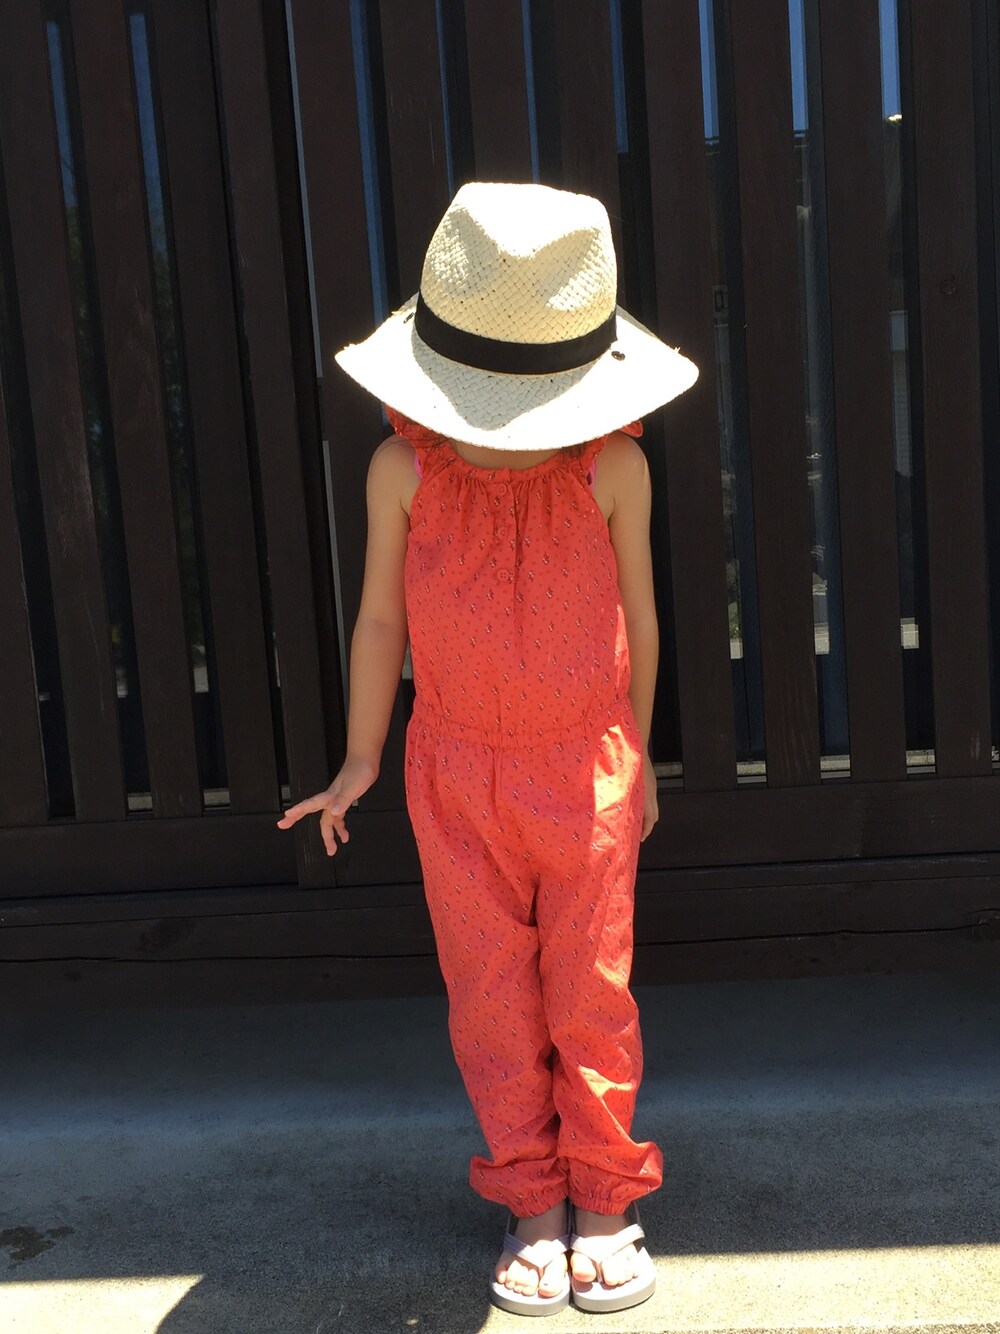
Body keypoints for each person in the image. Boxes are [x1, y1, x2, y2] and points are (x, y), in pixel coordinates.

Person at [276, 181, 698, 1316]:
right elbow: (379, 620)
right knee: (491, 998)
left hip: (587, 768)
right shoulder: (403, 470)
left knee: (591, 990)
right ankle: (530, 1197)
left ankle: (605, 1195)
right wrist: (361, 757)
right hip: (454, 773)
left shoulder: (613, 468)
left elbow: (641, 618)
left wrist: (637, 753)